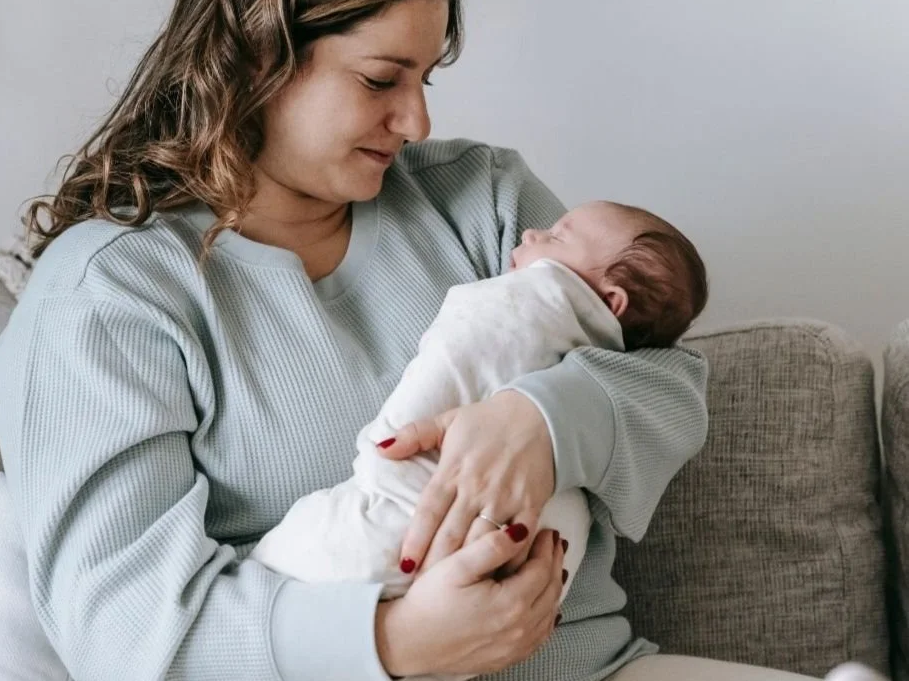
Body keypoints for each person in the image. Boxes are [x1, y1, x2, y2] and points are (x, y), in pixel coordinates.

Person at [0, 0, 819, 681]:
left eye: (427, 77)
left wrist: (544, 420)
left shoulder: (480, 199)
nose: (417, 121)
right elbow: (127, 622)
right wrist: (391, 641)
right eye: (383, 79)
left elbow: (670, 380)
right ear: (258, 58)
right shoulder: (115, 292)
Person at [248, 200, 708, 653]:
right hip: (351, 636)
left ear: (611, 302)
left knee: (296, 547)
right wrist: (397, 639)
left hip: (567, 647)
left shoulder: (497, 218)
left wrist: (540, 418)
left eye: (555, 236)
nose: (531, 234)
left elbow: (681, 385)